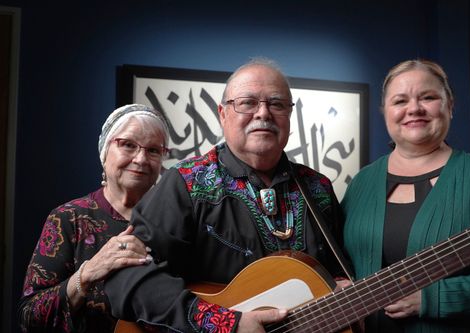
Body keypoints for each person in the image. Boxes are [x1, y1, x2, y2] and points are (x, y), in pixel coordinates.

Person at [105, 58, 351, 333]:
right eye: (248, 102)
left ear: (290, 116)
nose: (263, 114)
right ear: (223, 114)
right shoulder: (185, 183)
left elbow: (337, 271)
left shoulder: (318, 188)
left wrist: (342, 286)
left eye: (277, 104)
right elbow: (126, 277)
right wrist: (225, 324)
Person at [341, 59, 470, 333]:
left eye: (428, 97)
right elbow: (341, 260)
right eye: (400, 101)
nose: (414, 109)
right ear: (385, 112)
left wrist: (436, 298)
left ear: (450, 105)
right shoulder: (362, 183)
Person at [18, 104, 170, 332]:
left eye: (153, 150)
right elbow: (29, 317)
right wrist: (87, 274)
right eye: (128, 145)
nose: (141, 159)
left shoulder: (175, 221)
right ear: (104, 152)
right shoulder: (68, 218)